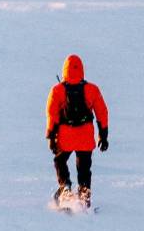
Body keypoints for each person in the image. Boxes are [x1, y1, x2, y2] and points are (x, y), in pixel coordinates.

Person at [46, 53, 109, 208]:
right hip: (85, 136)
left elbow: (52, 113)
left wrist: (51, 136)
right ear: (82, 69)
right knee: (84, 168)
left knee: (59, 160)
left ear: (64, 70)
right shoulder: (92, 89)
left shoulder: (57, 90)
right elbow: (102, 112)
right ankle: (84, 194)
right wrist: (103, 135)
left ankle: (65, 187)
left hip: (65, 136)